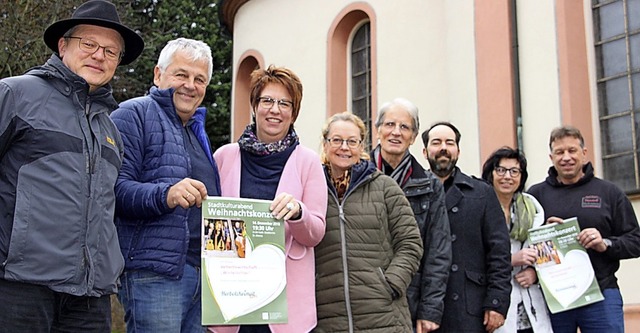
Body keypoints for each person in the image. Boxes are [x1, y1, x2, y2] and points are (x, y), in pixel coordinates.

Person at [0, 1, 143, 331]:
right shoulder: (15, 94)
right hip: (20, 288)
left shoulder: (110, 130)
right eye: (89, 44)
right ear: (63, 45)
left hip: (90, 298)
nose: (99, 55)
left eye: (110, 51)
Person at [110, 38, 220, 333]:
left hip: (201, 275)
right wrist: (166, 194)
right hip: (153, 274)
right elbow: (112, 190)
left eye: (200, 79)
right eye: (181, 75)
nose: (190, 85)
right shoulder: (132, 114)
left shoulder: (197, 131)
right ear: (158, 75)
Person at [208, 65, 327, 333]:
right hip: (232, 303)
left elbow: (316, 233)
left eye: (285, 103)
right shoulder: (224, 157)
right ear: (254, 105)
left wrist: (299, 213)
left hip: (285, 308)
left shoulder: (308, 162)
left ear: (294, 113)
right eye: (267, 101)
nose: (275, 110)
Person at [314, 112, 424, 332]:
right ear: (325, 144)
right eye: (336, 140)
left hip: (384, 315)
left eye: (352, 141)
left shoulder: (385, 187)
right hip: (328, 316)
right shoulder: (312, 189)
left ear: (361, 146)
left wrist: (390, 284)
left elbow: (410, 243)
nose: (344, 147)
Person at [528, 125, 640, 333]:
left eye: (572, 150)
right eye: (560, 152)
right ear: (551, 157)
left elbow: (636, 241)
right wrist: (544, 235)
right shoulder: (535, 196)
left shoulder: (609, 192)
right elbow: (521, 242)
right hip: (554, 297)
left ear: (584, 153)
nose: (566, 157)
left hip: (601, 293)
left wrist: (605, 243)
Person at [421, 122, 512, 333]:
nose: (443, 148)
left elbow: (499, 252)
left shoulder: (481, 192)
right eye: (436, 142)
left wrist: (497, 301)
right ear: (425, 152)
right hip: (425, 307)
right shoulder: (414, 192)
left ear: (458, 151)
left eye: (449, 142)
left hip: (470, 307)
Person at [370, 98, 451, 332]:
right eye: (389, 125)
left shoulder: (429, 185)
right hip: (363, 296)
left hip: (410, 299)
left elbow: (438, 251)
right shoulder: (356, 176)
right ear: (378, 131)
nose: (396, 132)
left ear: (414, 137)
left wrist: (430, 310)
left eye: (404, 127)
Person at [481, 147, 553, 333]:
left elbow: (544, 255)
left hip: (530, 305)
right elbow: (470, 257)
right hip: (494, 303)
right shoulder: (478, 207)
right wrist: (512, 259)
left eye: (514, 171)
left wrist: (534, 273)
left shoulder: (532, 208)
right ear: (491, 174)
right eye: (501, 170)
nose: (507, 176)